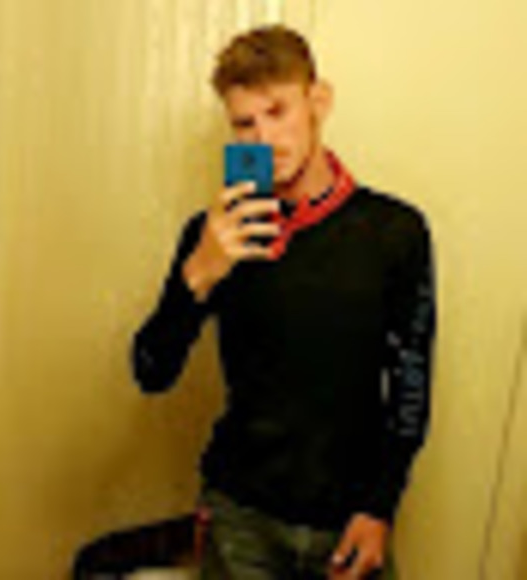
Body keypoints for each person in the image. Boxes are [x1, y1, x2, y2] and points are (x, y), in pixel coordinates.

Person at [131, 24, 436, 580]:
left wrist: (380, 507)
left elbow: (410, 384)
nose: (264, 139)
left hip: (349, 519)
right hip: (239, 518)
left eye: (278, 112)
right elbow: (150, 372)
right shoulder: (215, 234)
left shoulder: (395, 231)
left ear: (318, 101)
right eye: (245, 123)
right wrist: (197, 276)